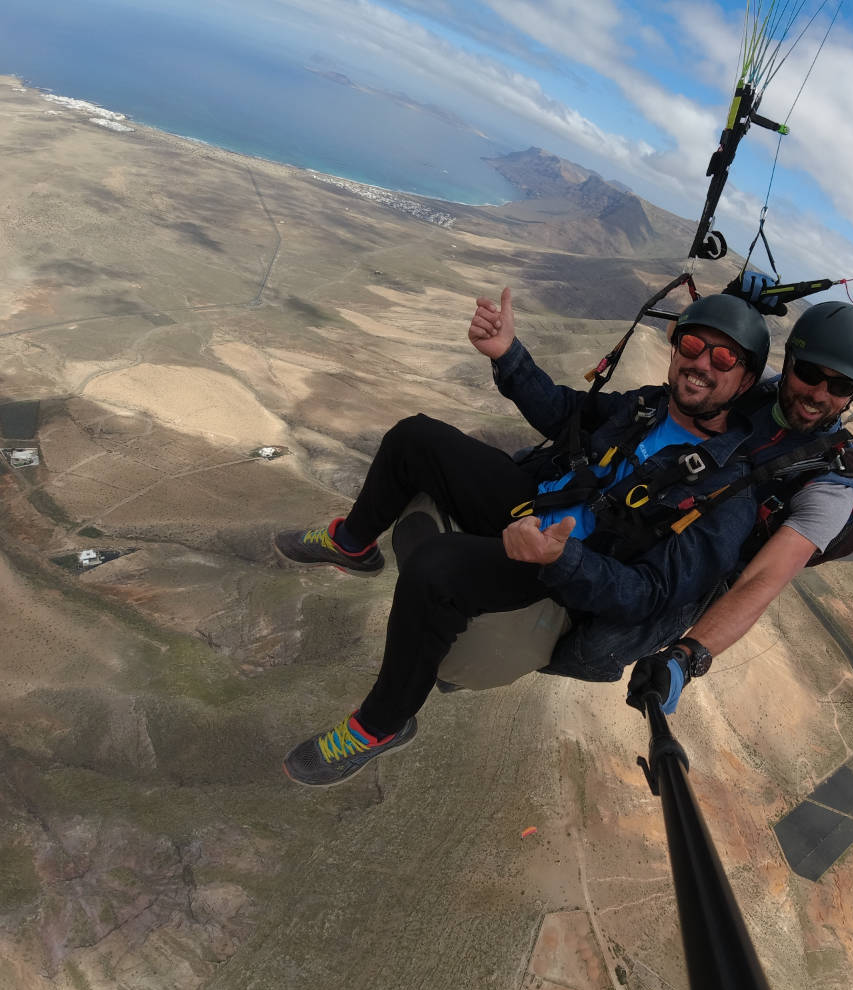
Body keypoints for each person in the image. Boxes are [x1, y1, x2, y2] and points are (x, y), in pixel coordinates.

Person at [272, 288, 773, 786]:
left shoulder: (727, 492)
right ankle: (353, 542)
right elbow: (564, 414)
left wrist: (562, 559)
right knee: (414, 437)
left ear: (746, 378)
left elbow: (651, 594)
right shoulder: (648, 406)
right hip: (533, 503)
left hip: (563, 571)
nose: (701, 363)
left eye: (723, 356)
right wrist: (508, 354)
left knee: (435, 567)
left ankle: (380, 725)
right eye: (691, 346)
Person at [627, 300, 853, 714]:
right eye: (809, 374)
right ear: (789, 361)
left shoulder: (834, 485)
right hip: (655, 506)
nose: (818, 395)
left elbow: (762, 580)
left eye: (839, 387)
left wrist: (687, 657)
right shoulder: (756, 391)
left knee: (592, 646)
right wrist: (735, 304)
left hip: (705, 571)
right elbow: (697, 352)